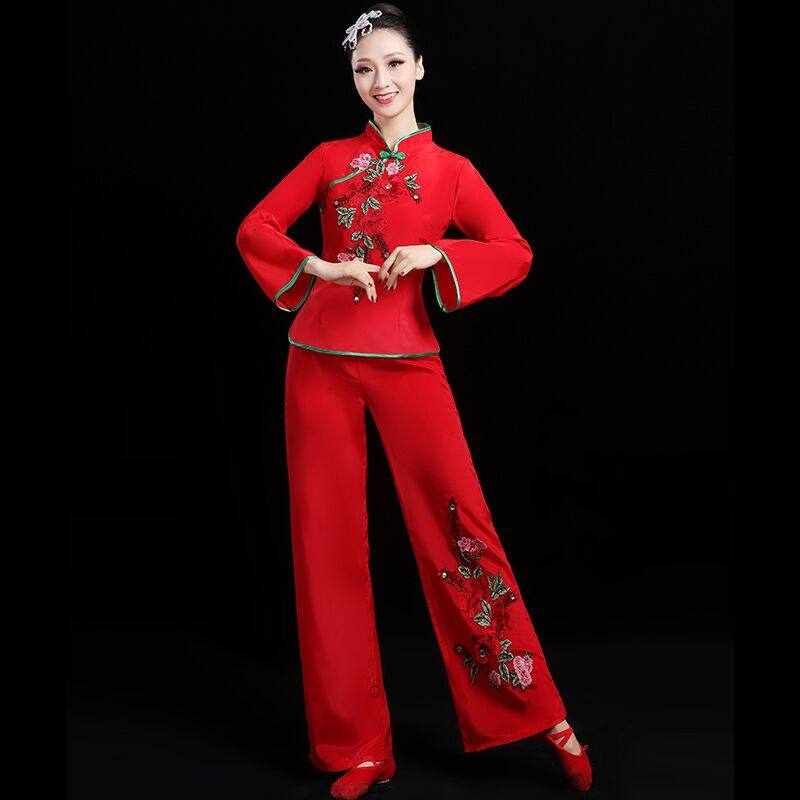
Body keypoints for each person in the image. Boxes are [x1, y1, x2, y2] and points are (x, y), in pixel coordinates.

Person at [235, 5, 593, 797]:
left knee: (460, 530)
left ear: (420, 67)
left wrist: (437, 252)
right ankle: (358, 746)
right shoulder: (329, 158)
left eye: (394, 63)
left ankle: (541, 715)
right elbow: (255, 228)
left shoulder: (453, 170)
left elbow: (515, 252)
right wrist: (323, 268)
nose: (381, 81)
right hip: (317, 363)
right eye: (364, 69)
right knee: (326, 548)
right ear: (352, 79)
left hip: (408, 362)